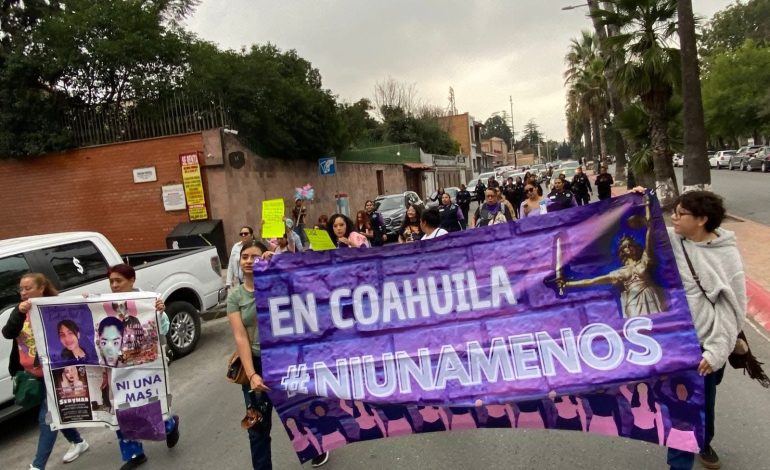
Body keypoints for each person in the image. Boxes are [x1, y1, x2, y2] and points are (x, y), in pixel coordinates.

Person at [663, 190, 746, 470]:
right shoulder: (673, 241)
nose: (673, 217)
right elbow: (638, 230)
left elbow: (732, 310)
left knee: (704, 404)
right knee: (683, 411)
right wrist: (636, 202)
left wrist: (715, 353)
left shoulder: (727, 256)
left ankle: (704, 439)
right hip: (679, 344)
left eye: (680, 213)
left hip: (709, 346)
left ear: (701, 219)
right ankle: (680, 463)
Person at [2, 273, 90, 470]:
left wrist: (85, 301)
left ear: (41, 288)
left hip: (55, 373)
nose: (23, 293)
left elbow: (78, 322)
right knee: (54, 414)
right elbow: (8, 333)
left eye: (28, 288)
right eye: (21, 289)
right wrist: (18, 312)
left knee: (47, 419)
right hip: (32, 375)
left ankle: (37, 466)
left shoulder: (54, 308)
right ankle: (78, 442)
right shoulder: (20, 311)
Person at [104, 264, 179, 470]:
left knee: (148, 406)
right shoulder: (105, 303)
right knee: (122, 409)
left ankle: (169, 424)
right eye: (111, 281)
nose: (114, 285)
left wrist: (160, 313)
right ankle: (134, 454)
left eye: (118, 280)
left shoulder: (149, 300)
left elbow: (163, 328)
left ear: (132, 280)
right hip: (119, 369)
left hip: (146, 367)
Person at [556, 195, 666, 318]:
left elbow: (649, 236)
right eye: (625, 246)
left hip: (651, 297)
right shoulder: (619, 273)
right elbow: (591, 281)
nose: (628, 248)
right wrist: (568, 284)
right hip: (633, 302)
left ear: (635, 247)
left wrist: (647, 210)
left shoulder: (644, 260)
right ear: (622, 251)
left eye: (630, 245)